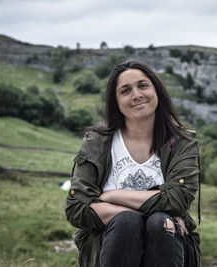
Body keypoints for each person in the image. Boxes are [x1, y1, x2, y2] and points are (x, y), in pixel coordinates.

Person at [66, 60, 201, 267]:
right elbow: (77, 208)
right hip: (108, 250)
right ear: (116, 102)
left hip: (167, 247)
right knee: (129, 222)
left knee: (160, 225)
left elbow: (179, 198)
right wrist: (142, 213)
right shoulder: (97, 142)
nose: (136, 94)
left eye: (143, 85)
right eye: (125, 90)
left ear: (156, 90)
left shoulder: (181, 141)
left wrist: (111, 197)